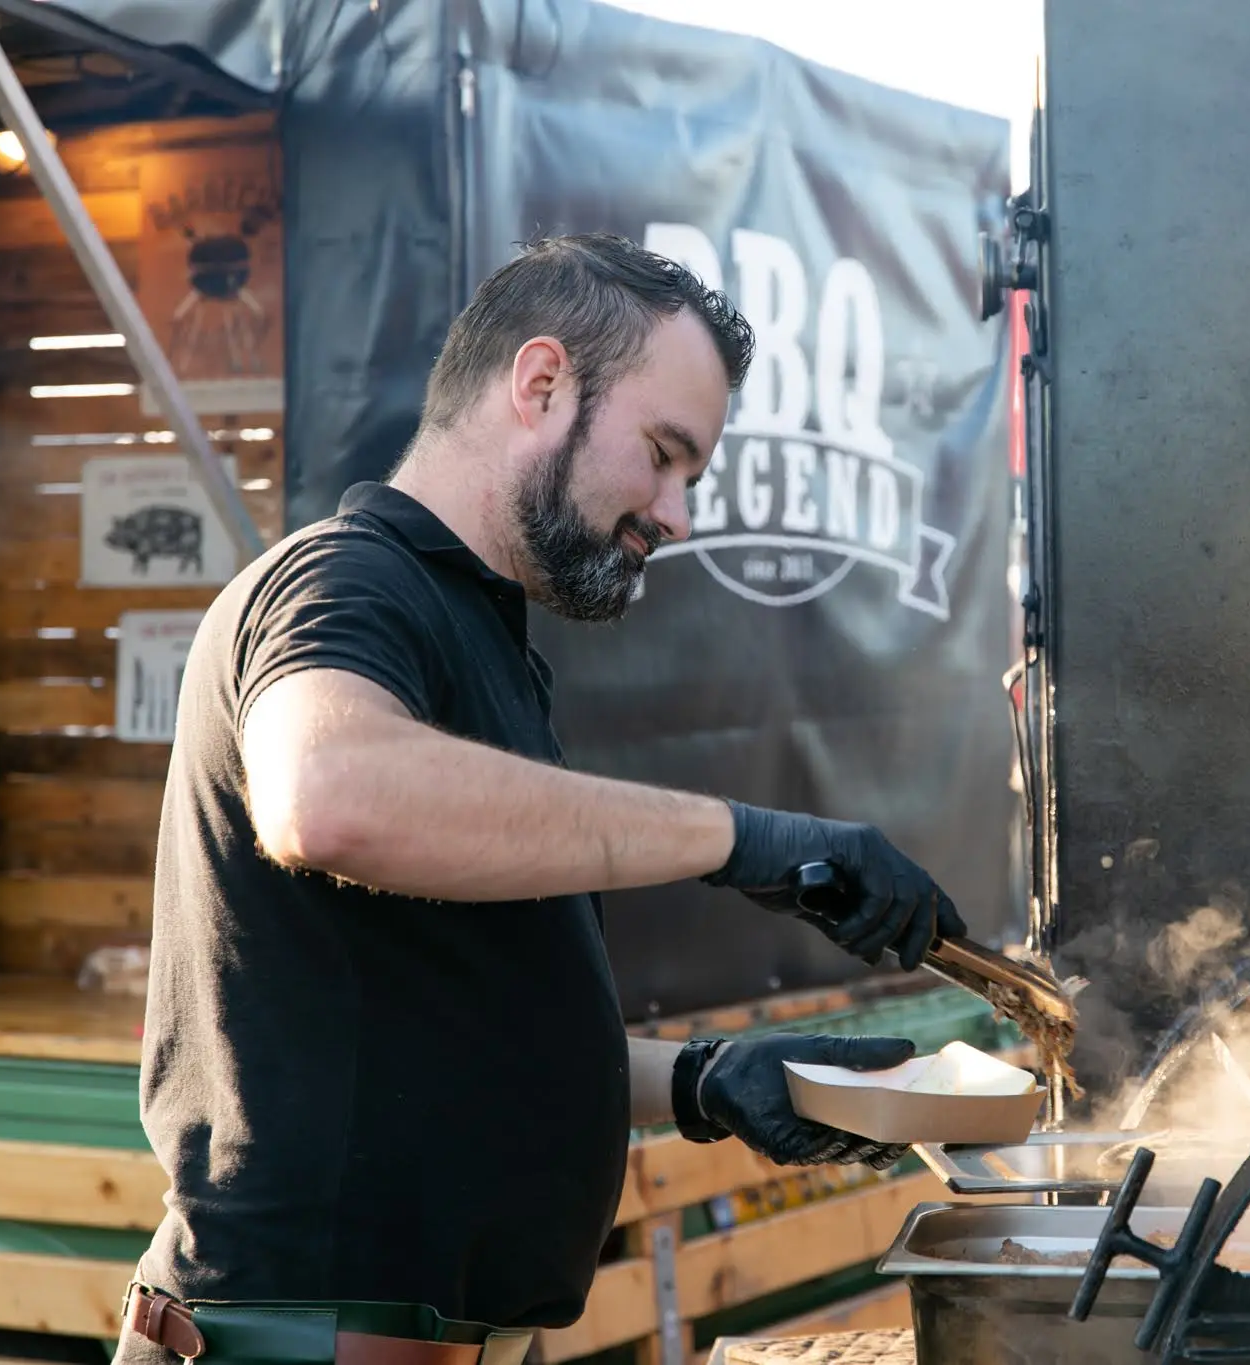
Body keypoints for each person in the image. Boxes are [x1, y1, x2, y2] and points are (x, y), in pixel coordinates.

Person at [115, 234, 967, 1365]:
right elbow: (325, 794)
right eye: (663, 455)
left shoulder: (489, 648)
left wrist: (710, 1085)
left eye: (692, 478)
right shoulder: (341, 581)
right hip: (298, 1341)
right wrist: (736, 837)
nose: (677, 516)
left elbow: (449, 1038)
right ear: (541, 384)